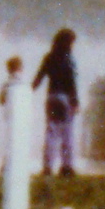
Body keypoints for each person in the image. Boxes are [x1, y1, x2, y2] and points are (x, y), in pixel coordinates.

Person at [33, 28, 80, 176]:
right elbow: (71, 82)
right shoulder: (69, 59)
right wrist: (75, 101)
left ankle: (47, 167)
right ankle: (66, 167)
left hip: (51, 97)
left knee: (51, 133)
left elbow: (39, 77)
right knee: (67, 133)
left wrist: (28, 91)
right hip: (65, 98)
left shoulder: (49, 57)